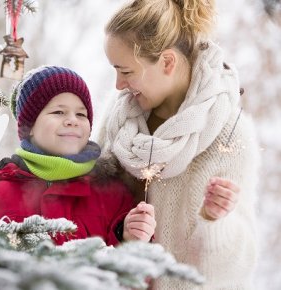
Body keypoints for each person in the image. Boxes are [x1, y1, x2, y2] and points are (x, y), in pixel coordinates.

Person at [97, 0, 260, 289]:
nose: (118, 85)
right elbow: (92, 212)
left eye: (126, 71)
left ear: (167, 63)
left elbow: (236, 271)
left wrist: (215, 222)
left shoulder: (228, 135)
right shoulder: (119, 118)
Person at [0, 66, 156, 246]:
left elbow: (132, 273)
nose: (73, 120)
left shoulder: (111, 194)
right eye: (59, 112)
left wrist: (130, 240)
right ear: (30, 126)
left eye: (81, 114)